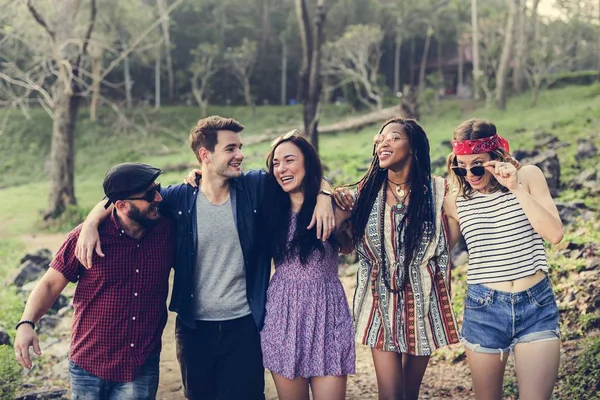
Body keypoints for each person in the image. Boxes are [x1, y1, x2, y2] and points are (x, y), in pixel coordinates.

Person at [75, 116, 335, 400]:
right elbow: (122, 198)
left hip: (245, 325)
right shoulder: (177, 198)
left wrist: (324, 192)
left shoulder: (255, 187)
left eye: (239, 147)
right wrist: (90, 222)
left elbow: (300, 174)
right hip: (194, 330)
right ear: (205, 155)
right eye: (231, 149)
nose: (240, 155)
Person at [13, 163, 174, 399]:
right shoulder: (85, 237)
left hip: (139, 366)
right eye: (150, 194)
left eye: (157, 188)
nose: (158, 197)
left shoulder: (167, 230)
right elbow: (49, 284)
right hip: (89, 366)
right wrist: (26, 323)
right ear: (121, 205)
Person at [334, 117, 460, 400]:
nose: (383, 142)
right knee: (390, 395)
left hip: (423, 302)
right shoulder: (363, 196)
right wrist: (325, 196)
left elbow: (449, 239)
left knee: (408, 393)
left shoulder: (439, 193)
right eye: (380, 138)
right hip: (380, 302)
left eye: (394, 137)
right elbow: (344, 245)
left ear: (413, 147)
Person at [444, 118, 563, 400]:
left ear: (496, 158)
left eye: (477, 165)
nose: (469, 173)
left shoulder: (528, 177)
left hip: (536, 305)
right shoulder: (454, 198)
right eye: (461, 165)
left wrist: (515, 188)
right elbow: (437, 252)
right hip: (484, 307)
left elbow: (554, 234)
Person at [258, 131, 355, 400]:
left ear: (308, 163)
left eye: (289, 160)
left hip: (327, 313)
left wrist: (328, 193)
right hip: (284, 314)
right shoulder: (269, 208)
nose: (281, 169)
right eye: (276, 163)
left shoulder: (334, 206)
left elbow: (349, 247)